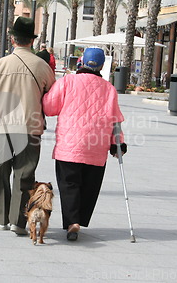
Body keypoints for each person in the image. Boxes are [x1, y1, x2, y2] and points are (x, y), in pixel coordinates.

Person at [0, 17, 56, 235]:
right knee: (24, 176)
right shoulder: (42, 66)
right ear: (32, 41)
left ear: (12, 39)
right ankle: (19, 221)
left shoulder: (1, 64)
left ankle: (0, 219)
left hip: (2, 128)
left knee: (1, 172)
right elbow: (53, 98)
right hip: (30, 128)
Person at [42, 47, 127, 241]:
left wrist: (45, 92)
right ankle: (80, 218)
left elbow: (49, 107)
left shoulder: (67, 82)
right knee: (90, 185)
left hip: (69, 146)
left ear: (81, 62)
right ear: (102, 66)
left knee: (69, 183)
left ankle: (72, 221)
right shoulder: (109, 89)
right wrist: (118, 143)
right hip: (97, 147)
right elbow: (115, 120)